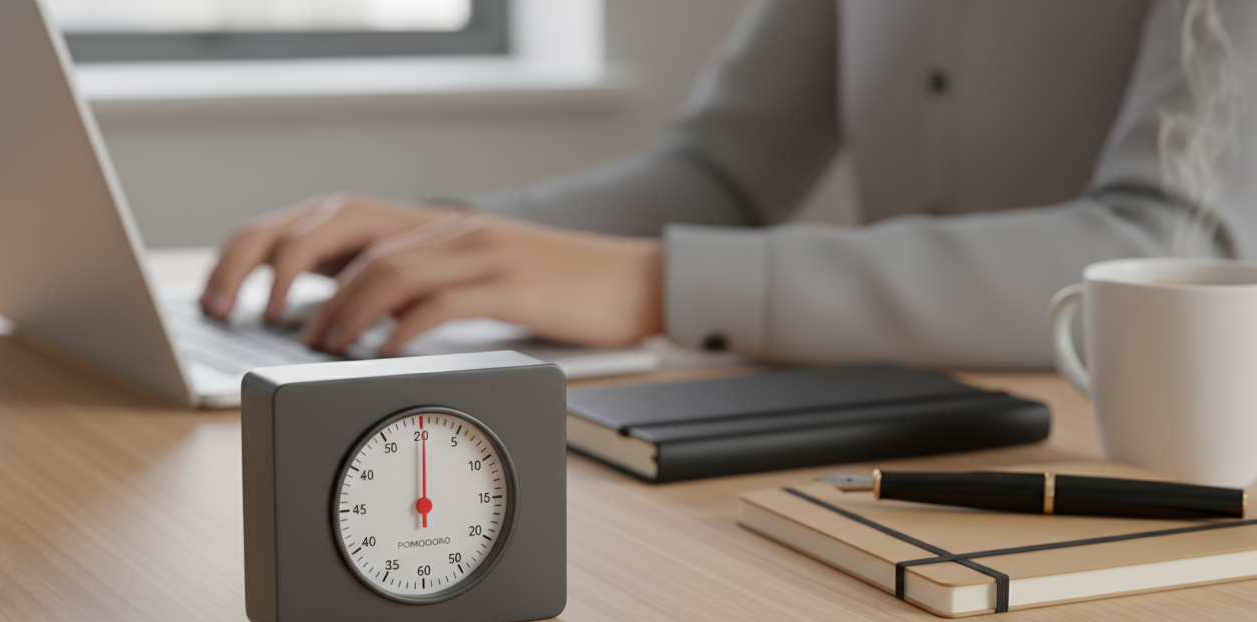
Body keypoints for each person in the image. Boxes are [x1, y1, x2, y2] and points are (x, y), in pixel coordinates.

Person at [199, 0, 1257, 368]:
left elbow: (1173, 253)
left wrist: (658, 287)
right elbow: (721, 173)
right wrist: (441, 241)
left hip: (1128, 485)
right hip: (876, 446)